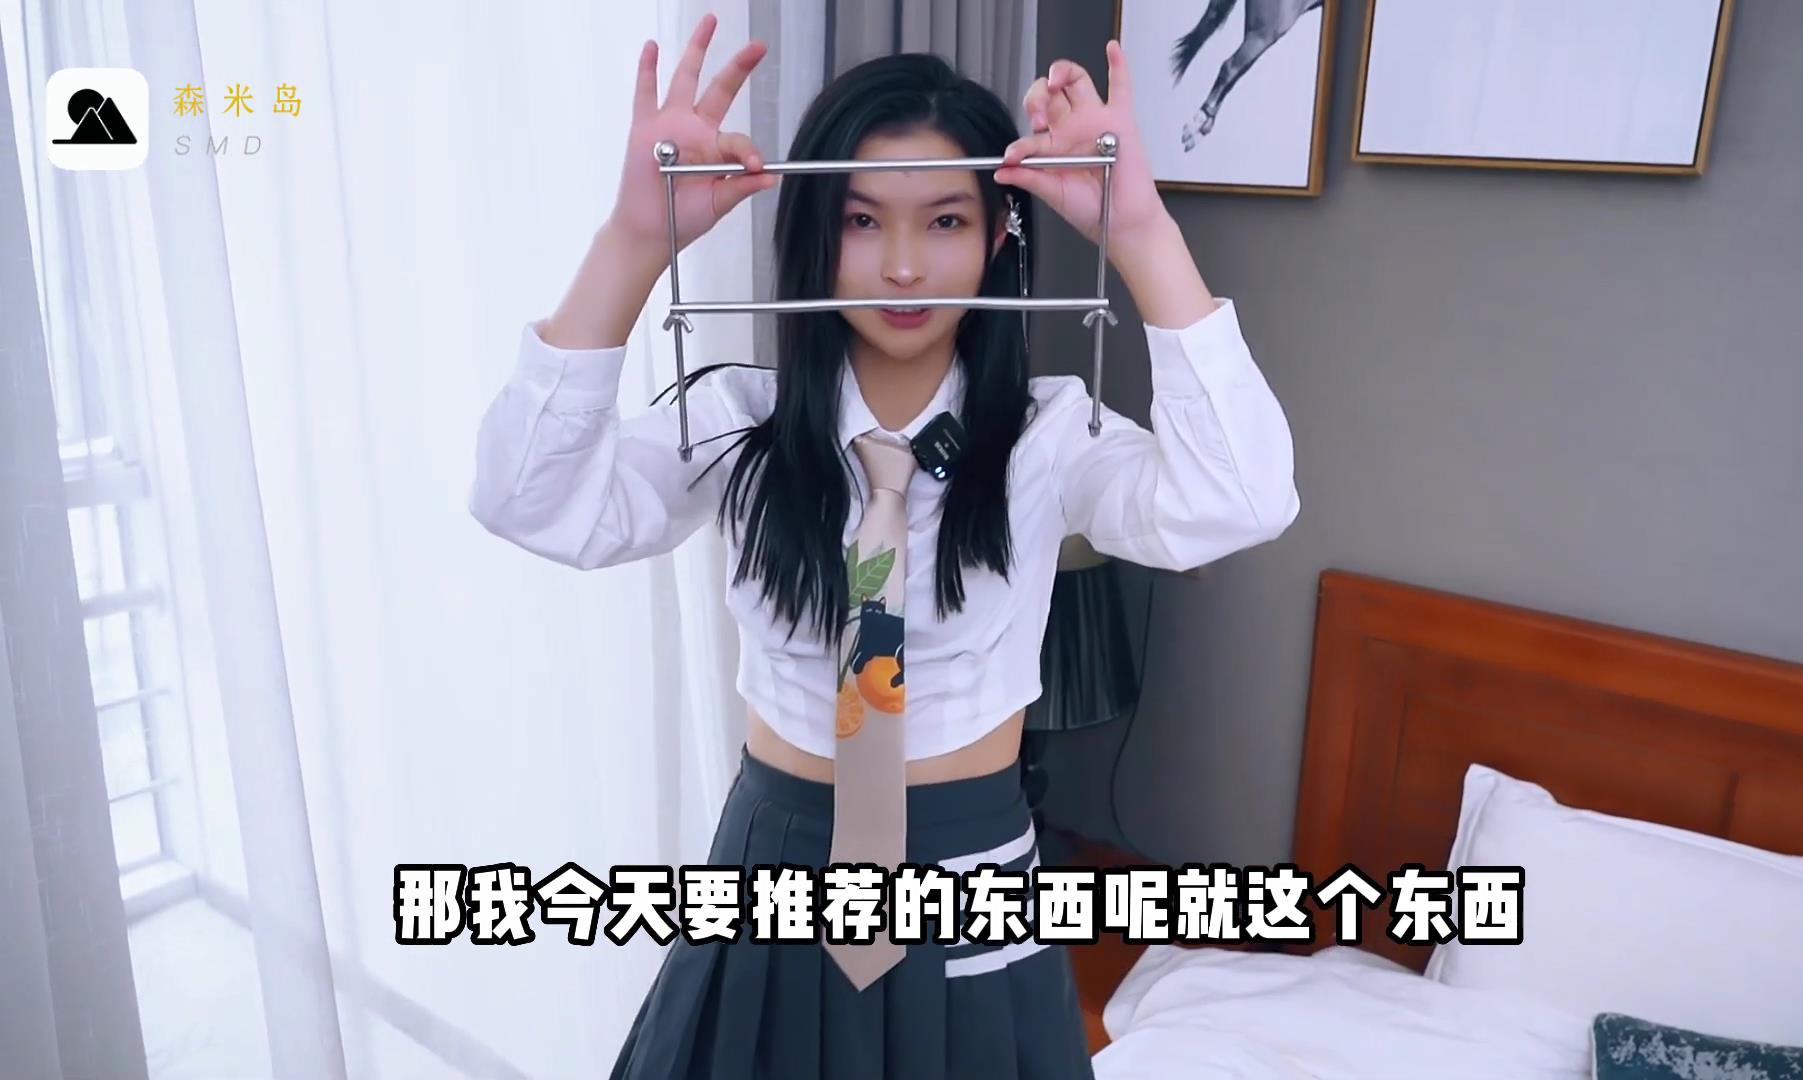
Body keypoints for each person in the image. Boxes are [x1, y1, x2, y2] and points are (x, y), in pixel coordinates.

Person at [466, 13, 1300, 1079]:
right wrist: (633, 241)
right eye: (863, 220)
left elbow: (1242, 498)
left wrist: (1139, 231)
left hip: (975, 873)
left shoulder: (1050, 435)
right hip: (771, 865)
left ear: (998, 235)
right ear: (816, 233)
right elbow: (526, 499)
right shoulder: (735, 420)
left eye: (945, 220)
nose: (904, 267)